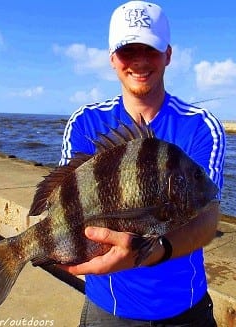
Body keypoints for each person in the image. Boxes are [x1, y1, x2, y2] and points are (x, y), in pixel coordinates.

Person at [59, 1, 226, 326]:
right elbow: (68, 208)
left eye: (149, 49)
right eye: (127, 51)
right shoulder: (85, 123)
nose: (139, 61)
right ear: (112, 59)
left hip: (184, 309)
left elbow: (208, 217)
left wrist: (154, 250)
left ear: (167, 54)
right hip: (107, 309)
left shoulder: (201, 126)